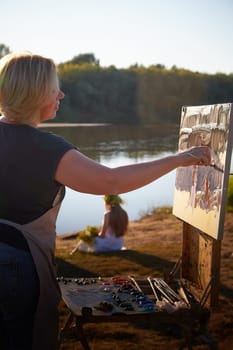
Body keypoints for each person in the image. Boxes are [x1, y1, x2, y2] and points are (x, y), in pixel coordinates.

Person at [0, 51, 211, 350]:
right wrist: (180, 159)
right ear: (33, 93)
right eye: (52, 89)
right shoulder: (45, 148)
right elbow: (110, 181)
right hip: (16, 268)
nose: (61, 93)